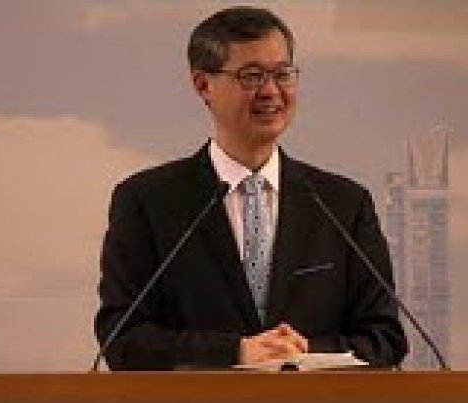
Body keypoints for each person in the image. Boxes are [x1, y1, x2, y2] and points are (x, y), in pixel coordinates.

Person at [94, 6, 407, 370]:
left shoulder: (343, 204)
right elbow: (123, 339)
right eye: (252, 76)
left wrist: (302, 353)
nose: (271, 91)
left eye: (283, 74)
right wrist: (236, 352)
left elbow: (385, 337)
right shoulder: (147, 201)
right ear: (203, 85)